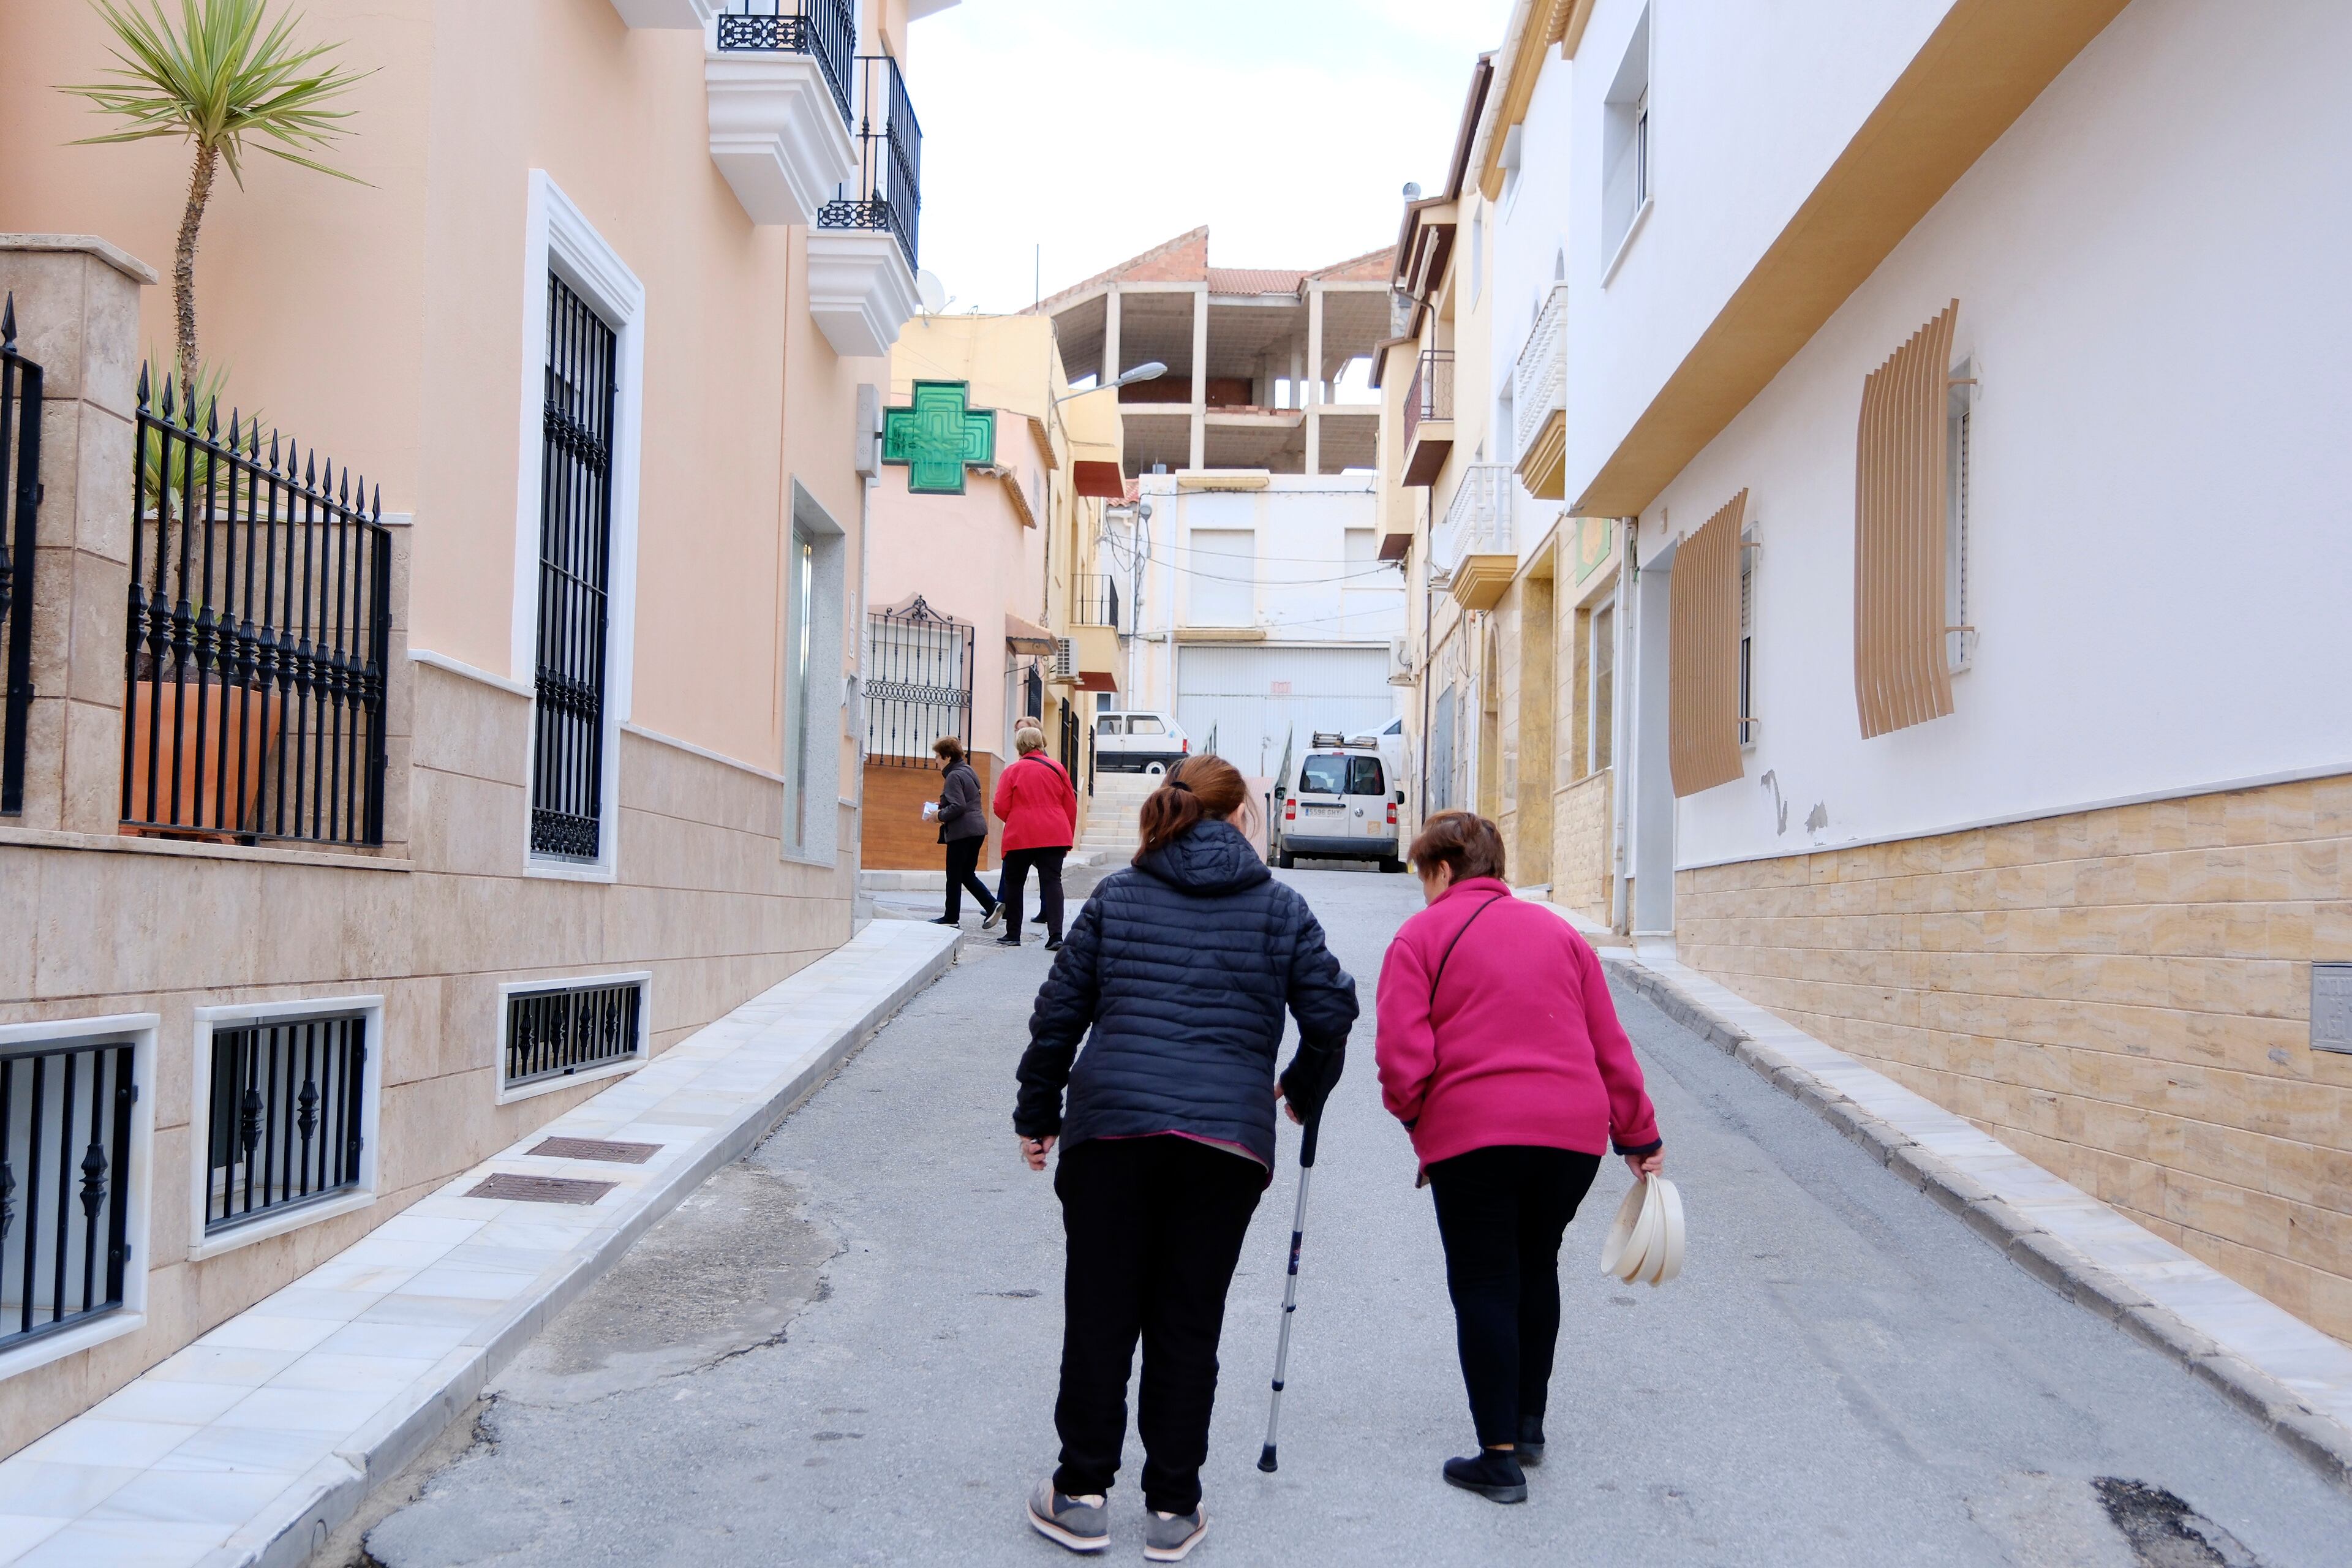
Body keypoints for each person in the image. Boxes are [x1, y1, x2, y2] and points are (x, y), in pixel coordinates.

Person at [1014, 754, 1359, 1561]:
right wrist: (1303, 1087)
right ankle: (1173, 1506)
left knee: (1101, 1314)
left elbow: (1058, 1012)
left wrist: (1038, 1113)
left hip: (1111, 1135)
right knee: (1187, 1320)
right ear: (1241, 816)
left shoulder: (1118, 896)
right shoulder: (1280, 907)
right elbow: (1331, 1010)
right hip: (1224, 1147)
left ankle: (1081, 1494)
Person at [1373, 810, 1663, 1505]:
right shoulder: (1562, 936)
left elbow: (1401, 1059)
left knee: (1483, 1280)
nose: (1423, 891)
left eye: (1423, 876)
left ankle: (1497, 1457)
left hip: (1474, 1137)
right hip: (1570, 1140)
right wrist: (1640, 1136)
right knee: (1536, 1264)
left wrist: (1419, 1120)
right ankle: (1529, 1425)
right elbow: (1609, 1044)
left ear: (1444, 870)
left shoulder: (1420, 937)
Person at [986, 725, 1078, 949]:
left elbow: (1000, 805)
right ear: (1041, 742)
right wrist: (1067, 837)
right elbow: (1070, 805)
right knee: (1052, 882)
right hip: (1054, 833)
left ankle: (1013, 934)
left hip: (1021, 834)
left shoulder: (1012, 771)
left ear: (1019, 745)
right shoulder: (1058, 769)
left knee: (1014, 883)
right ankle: (1056, 936)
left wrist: (1016, 817)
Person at [929, 736, 998, 927]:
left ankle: (951, 918)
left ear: (947, 757)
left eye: (938, 756)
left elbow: (959, 806)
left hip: (962, 832)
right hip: (977, 830)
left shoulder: (953, 776)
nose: (936, 760)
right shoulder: (968, 770)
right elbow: (966, 800)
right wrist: (942, 806)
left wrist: (939, 815)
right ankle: (992, 905)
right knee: (966, 874)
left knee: (953, 876)